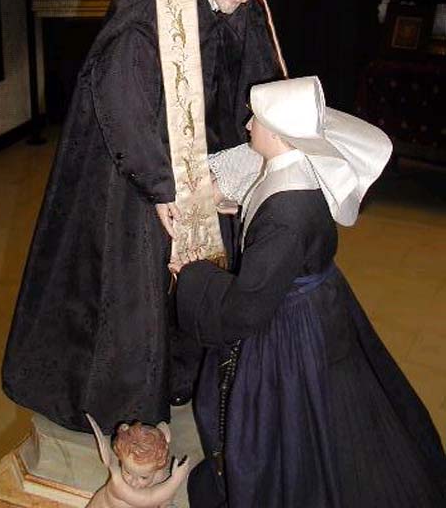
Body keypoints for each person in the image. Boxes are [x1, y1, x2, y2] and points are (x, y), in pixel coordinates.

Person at [2, 0, 284, 434]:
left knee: (198, 272)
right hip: (133, 172)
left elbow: (253, 73)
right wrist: (160, 185)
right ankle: (121, 401)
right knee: (132, 283)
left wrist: (253, 153)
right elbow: (122, 102)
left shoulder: (237, 4)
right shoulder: (143, 12)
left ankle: (183, 374)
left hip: (204, 164)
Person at [171, 76, 446, 507]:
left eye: (256, 120)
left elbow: (246, 307)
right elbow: (272, 207)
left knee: (283, 417)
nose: (248, 125)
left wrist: (192, 276)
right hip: (315, 300)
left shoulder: (287, 216)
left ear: (280, 134)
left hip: (290, 321)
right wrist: (238, 205)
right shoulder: (298, 168)